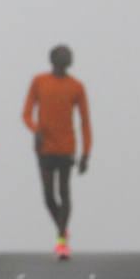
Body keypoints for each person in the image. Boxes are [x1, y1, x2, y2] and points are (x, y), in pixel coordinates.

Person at [22, 44, 91, 259]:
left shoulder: (77, 86)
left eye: (70, 54)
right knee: (48, 195)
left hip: (67, 146)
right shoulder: (39, 82)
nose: (69, 57)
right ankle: (62, 227)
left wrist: (86, 153)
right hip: (45, 147)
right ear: (53, 58)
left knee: (64, 191)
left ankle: (61, 239)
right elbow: (26, 114)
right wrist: (36, 130)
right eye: (64, 54)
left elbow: (85, 122)